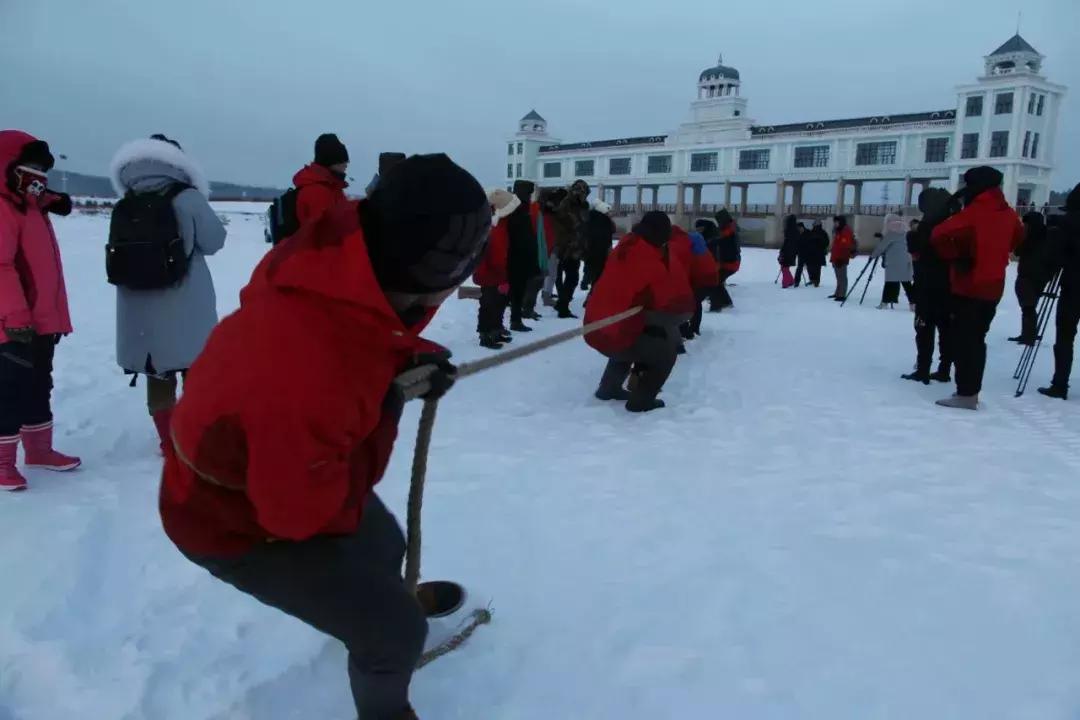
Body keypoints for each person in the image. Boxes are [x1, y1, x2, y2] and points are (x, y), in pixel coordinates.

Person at [160, 153, 491, 720]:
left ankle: (371, 606)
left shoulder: (333, 257)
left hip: (278, 467)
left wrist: (395, 365)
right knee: (393, 632)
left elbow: (363, 321)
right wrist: (387, 400)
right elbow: (298, 518)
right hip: (228, 521)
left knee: (384, 542)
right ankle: (384, 672)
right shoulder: (306, 377)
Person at [109, 135, 227, 450]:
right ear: (178, 161)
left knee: (157, 372)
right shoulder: (187, 197)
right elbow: (214, 241)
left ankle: (167, 440)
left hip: (140, 304)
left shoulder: (126, 203)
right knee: (196, 368)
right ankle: (195, 435)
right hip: (186, 300)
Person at [0, 130, 81, 491]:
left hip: (41, 320)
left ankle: (39, 450)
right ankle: (2, 463)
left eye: (41, 168)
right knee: (10, 388)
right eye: (29, 166)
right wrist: (16, 316)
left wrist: (51, 199)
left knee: (38, 384)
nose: (37, 175)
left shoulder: (32, 207)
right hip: (11, 321)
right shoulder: (3, 207)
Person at [930, 166, 1023, 409]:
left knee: (965, 340)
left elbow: (939, 233)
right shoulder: (1009, 213)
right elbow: (1018, 237)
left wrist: (956, 254)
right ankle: (970, 392)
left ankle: (967, 393)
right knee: (977, 338)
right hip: (994, 286)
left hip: (969, 284)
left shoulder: (975, 211)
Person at [584, 211, 694, 412]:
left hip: (596, 326)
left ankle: (608, 388)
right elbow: (665, 302)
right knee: (665, 352)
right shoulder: (650, 257)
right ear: (658, 233)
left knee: (628, 334)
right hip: (612, 328)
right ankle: (641, 400)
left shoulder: (627, 245)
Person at [903, 194, 958, 385]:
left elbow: (915, 252)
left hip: (927, 287)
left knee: (924, 329)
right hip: (949, 288)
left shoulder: (922, 232)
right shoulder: (952, 228)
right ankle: (944, 369)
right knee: (947, 330)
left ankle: (923, 369)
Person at [1038, 183, 1080, 399]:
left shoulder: (1067, 223)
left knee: (1065, 335)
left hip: (1073, 286)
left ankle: (1060, 383)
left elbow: (1053, 257)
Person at [473, 189, 520, 349]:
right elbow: (497, 255)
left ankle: (495, 329)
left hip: (491, 272)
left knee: (496, 303)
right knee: (489, 304)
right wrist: (504, 276)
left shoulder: (497, 223)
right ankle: (486, 334)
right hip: (490, 273)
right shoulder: (495, 226)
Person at [1010, 211, 1051, 345]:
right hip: (1040, 276)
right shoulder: (1047, 235)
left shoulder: (1030, 236)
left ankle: (1028, 335)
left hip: (1027, 275)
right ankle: (1030, 333)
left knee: (1028, 307)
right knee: (1030, 306)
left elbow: (1018, 250)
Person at [552, 180, 591, 318]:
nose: (585, 196)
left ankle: (562, 303)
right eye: (584, 193)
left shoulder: (583, 206)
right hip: (567, 248)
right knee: (571, 277)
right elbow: (560, 225)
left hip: (577, 247)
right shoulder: (566, 204)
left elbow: (584, 226)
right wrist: (567, 242)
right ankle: (562, 306)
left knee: (571, 277)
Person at [293, 133, 349, 224]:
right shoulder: (317, 191)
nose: (346, 165)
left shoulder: (332, 187)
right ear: (331, 161)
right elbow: (327, 232)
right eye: (342, 161)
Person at [507, 180, 539, 332]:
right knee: (516, 291)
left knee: (518, 291)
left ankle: (515, 319)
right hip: (517, 256)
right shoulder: (517, 209)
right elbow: (521, 236)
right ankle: (514, 320)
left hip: (521, 255)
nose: (531, 196)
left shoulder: (520, 207)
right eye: (529, 192)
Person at [870, 213, 914, 310]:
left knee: (889, 282)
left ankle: (885, 302)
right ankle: (913, 304)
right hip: (905, 261)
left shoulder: (891, 233)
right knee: (907, 283)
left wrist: (873, 256)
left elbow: (881, 247)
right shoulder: (905, 232)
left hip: (893, 262)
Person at [537, 188, 563, 309]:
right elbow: (550, 234)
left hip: (548, 246)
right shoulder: (549, 216)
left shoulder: (541, 213)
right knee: (551, 273)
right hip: (550, 247)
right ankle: (546, 296)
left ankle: (546, 294)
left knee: (550, 273)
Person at [581, 200, 615, 291]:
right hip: (602, 250)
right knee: (599, 272)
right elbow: (610, 232)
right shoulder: (605, 221)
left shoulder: (589, 219)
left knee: (589, 267)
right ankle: (592, 290)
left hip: (590, 249)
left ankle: (586, 283)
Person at [829, 215, 856, 300]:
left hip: (841, 258)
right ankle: (838, 293)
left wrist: (842, 258)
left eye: (837, 222)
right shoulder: (839, 230)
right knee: (838, 276)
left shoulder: (846, 231)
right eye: (835, 222)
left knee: (842, 277)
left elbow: (845, 246)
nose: (835, 224)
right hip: (836, 257)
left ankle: (842, 294)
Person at [805, 220, 829, 287]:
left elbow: (826, 242)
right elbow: (807, 241)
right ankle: (812, 280)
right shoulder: (811, 232)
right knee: (810, 267)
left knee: (817, 268)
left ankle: (816, 281)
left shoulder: (823, 233)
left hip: (819, 253)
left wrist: (820, 242)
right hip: (810, 253)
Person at [778, 215, 799, 288]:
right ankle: (790, 281)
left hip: (787, 251)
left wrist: (782, 251)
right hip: (792, 252)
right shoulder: (796, 231)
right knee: (785, 267)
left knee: (784, 267)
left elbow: (786, 243)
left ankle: (786, 283)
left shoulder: (788, 231)